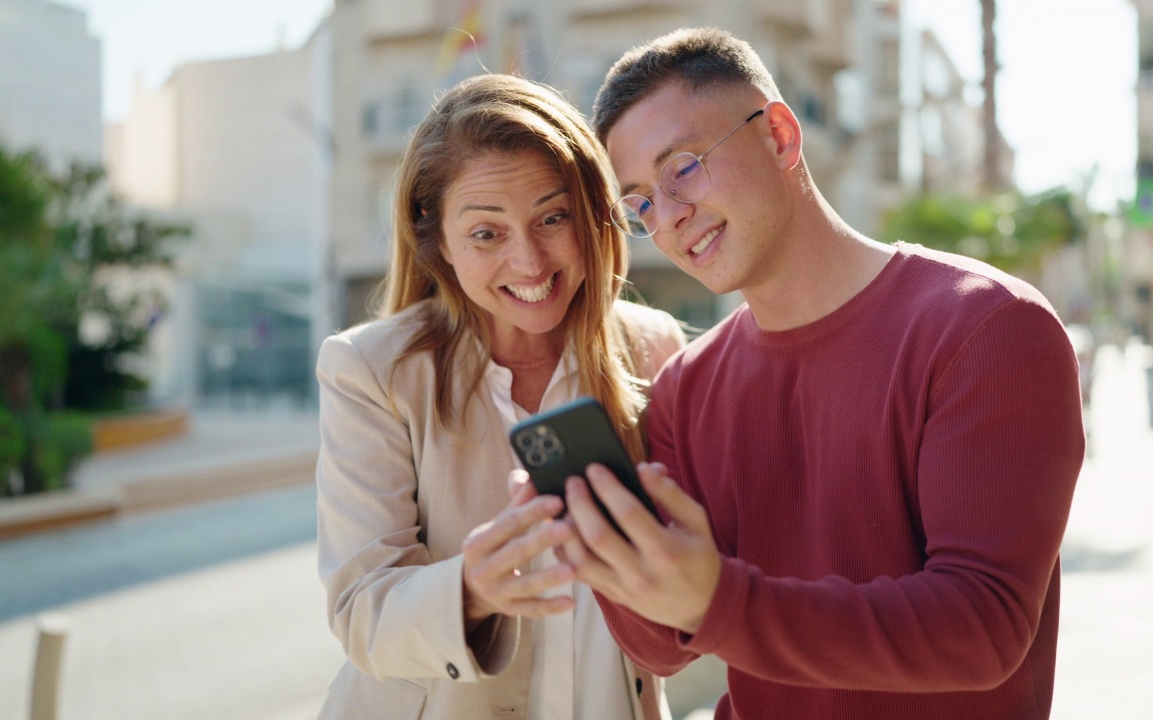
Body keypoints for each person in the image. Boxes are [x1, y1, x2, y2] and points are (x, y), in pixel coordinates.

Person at [547, 27, 1087, 720]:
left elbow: (982, 630)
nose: (671, 217)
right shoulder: (686, 389)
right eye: (641, 203)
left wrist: (720, 600)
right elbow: (663, 648)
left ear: (778, 134)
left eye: (682, 167)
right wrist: (610, 555)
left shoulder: (987, 330)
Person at [314, 73, 685, 719]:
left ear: (594, 215)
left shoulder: (654, 347)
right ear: (438, 242)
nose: (530, 262)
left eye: (552, 217)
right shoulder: (370, 370)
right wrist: (469, 589)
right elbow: (360, 613)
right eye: (487, 233)